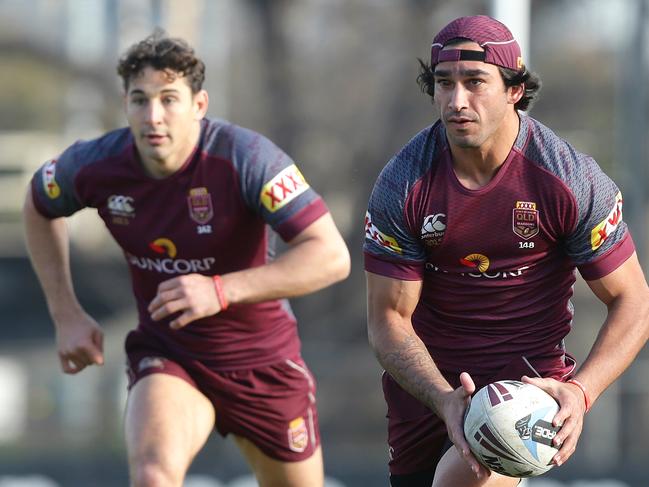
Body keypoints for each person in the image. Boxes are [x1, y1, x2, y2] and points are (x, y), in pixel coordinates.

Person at [23, 32, 350, 487]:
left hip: (263, 364)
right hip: (171, 355)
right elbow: (38, 204)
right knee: (154, 476)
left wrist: (220, 289)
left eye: (168, 99)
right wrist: (66, 314)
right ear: (125, 104)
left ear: (199, 104)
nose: (153, 116)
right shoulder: (96, 165)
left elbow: (331, 256)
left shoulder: (246, 158)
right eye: (140, 100)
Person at [363, 14, 649, 487]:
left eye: (475, 82)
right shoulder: (403, 184)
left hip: (523, 392)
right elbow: (387, 320)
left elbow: (633, 301)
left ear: (514, 89)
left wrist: (581, 392)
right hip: (427, 388)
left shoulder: (569, 180)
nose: (457, 101)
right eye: (443, 83)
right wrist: (441, 397)